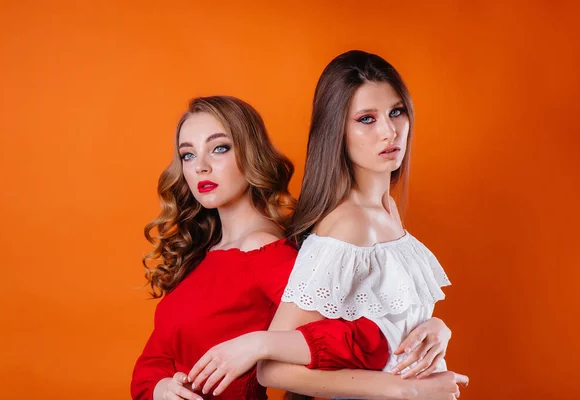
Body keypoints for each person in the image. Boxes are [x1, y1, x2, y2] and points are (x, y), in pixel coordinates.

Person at [187, 51, 469, 400]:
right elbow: (273, 370)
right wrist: (404, 390)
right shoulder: (347, 223)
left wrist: (437, 329)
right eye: (366, 119)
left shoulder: (387, 210)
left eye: (396, 112)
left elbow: (387, 322)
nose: (389, 131)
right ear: (337, 129)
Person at [131, 95, 437, 400]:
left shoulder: (268, 252)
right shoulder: (201, 252)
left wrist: (261, 343)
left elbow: (364, 336)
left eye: (219, 148)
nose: (201, 167)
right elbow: (155, 357)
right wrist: (160, 388)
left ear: (251, 154)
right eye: (188, 155)